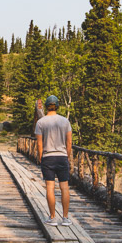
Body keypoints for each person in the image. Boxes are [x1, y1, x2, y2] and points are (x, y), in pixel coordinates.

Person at [34, 95, 73, 224]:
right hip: (62, 157)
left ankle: (52, 217)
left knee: (50, 188)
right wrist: (66, 156)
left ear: (46, 106)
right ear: (57, 106)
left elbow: (39, 144)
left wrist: (41, 158)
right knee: (64, 188)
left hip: (48, 157)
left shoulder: (41, 122)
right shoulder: (65, 121)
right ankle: (65, 218)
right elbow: (69, 143)